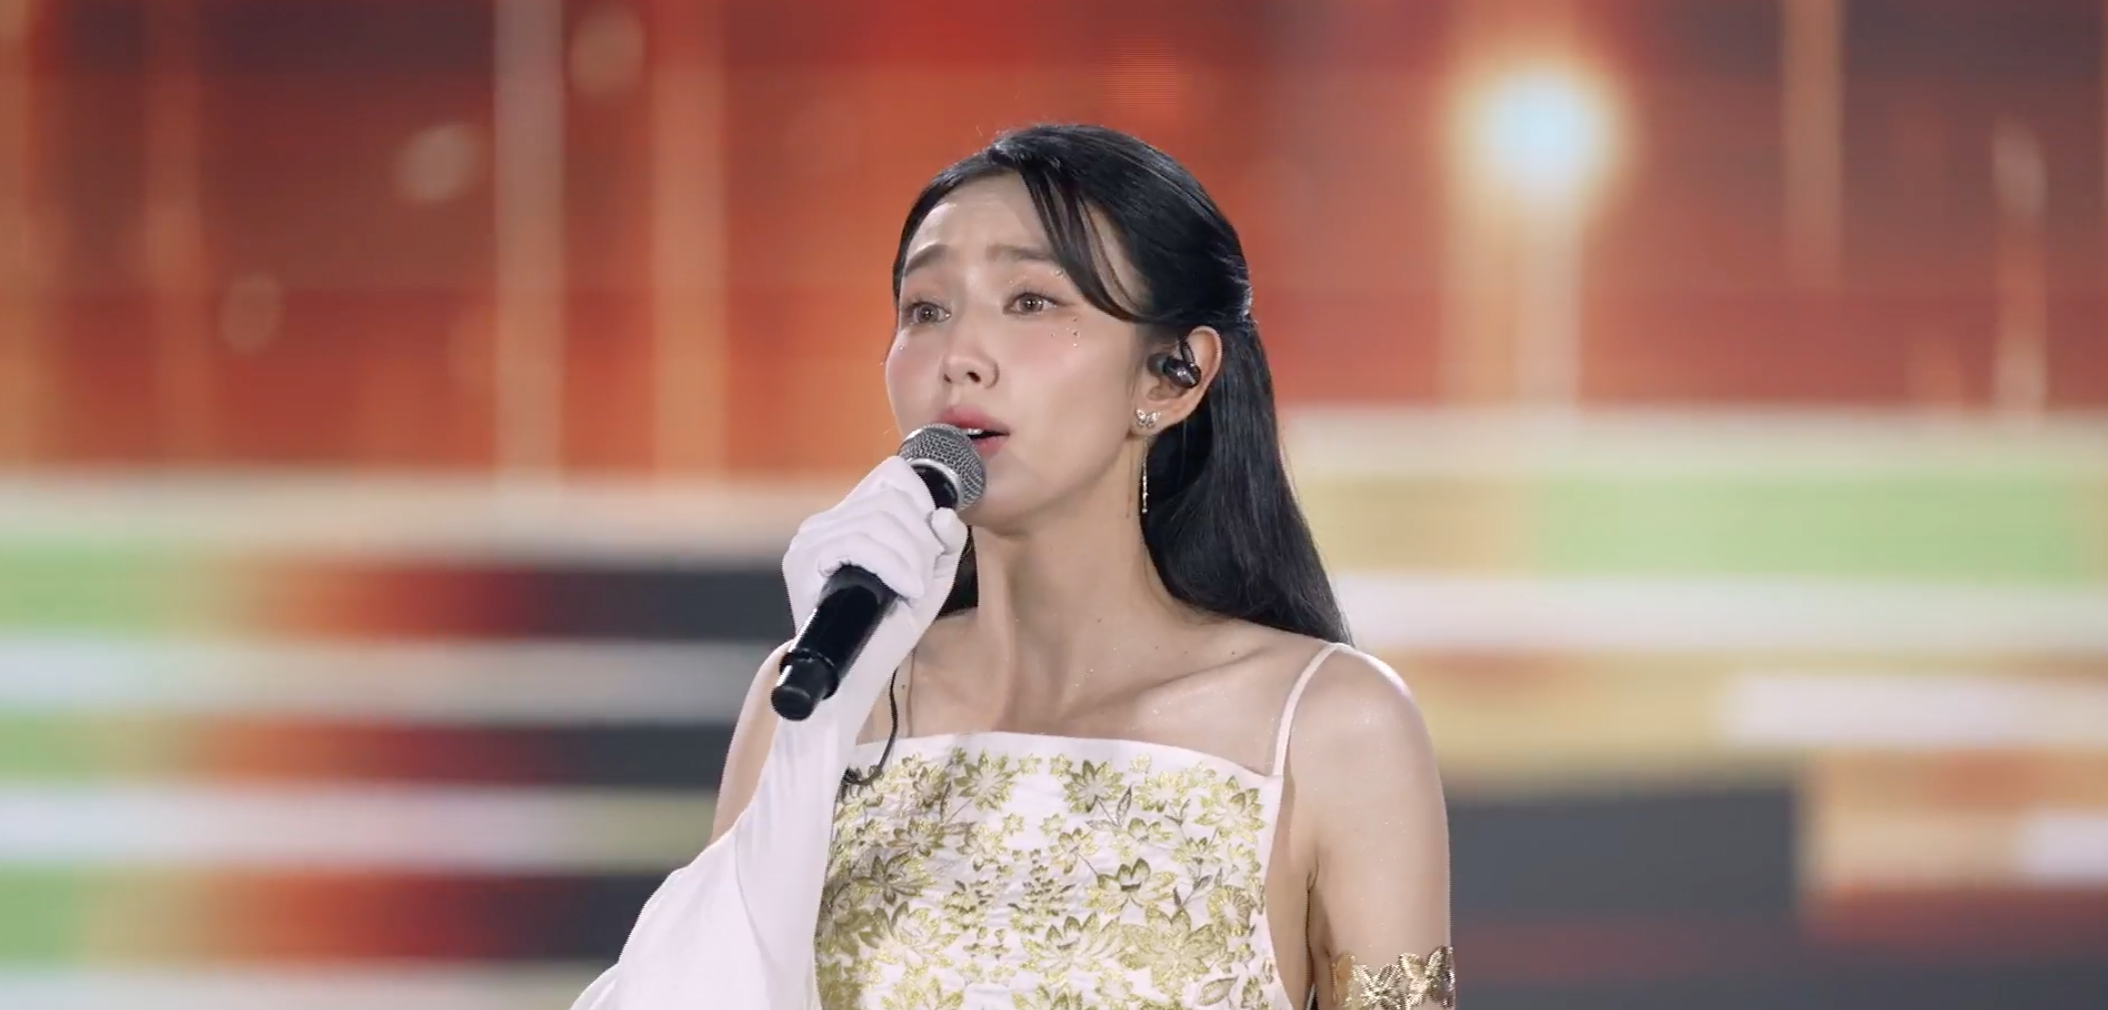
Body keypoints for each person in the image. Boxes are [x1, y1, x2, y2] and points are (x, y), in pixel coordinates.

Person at [575, 123, 1451, 1010]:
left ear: (1173, 376)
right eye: (926, 309)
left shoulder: (1331, 727)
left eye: (1030, 300)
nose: (959, 358)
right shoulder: (810, 695)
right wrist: (818, 731)